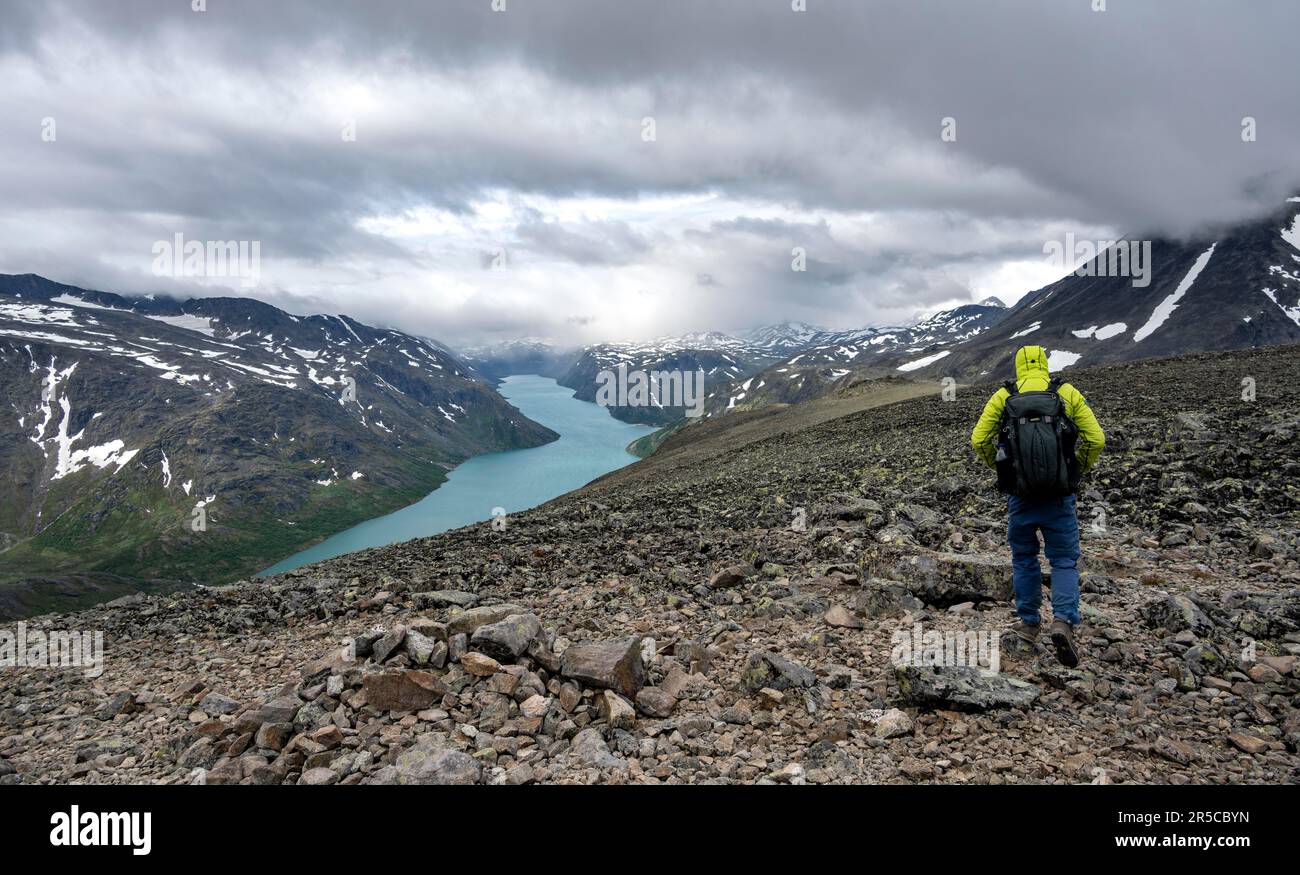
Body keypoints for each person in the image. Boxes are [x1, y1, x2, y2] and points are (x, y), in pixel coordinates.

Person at [970, 344, 1105, 666]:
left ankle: (1029, 622)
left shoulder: (1004, 396)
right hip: (1059, 495)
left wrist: (1005, 471)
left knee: (1024, 558)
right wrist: (1074, 471)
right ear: (1044, 363)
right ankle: (1063, 621)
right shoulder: (1066, 392)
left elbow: (978, 439)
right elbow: (1096, 439)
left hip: (1022, 496)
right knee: (1063, 561)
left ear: (1018, 365)